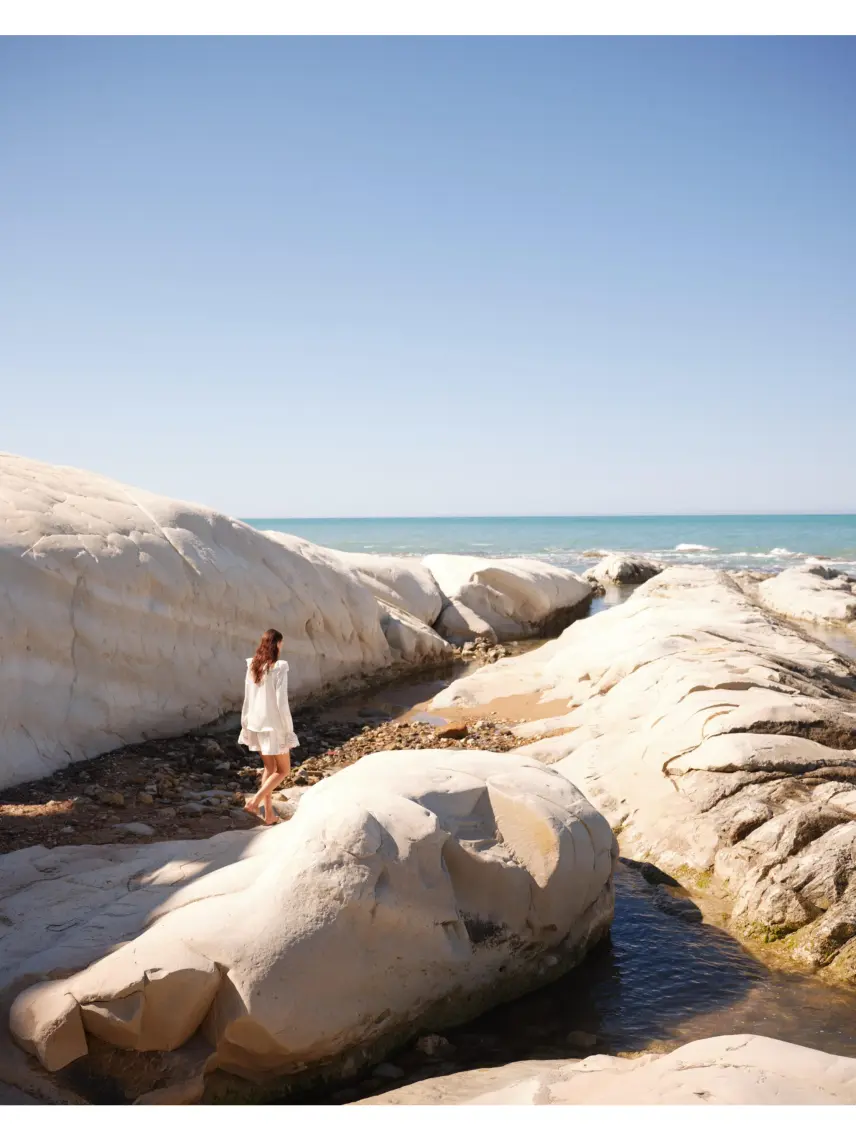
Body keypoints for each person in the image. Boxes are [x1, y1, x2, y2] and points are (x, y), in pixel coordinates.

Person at [239, 628, 298, 825]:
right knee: (283, 771)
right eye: (281, 644)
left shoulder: (253, 666)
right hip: (274, 725)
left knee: (269, 767)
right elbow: (282, 702)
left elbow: (248, 698)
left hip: (256, 723)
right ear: (277, 644)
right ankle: (254, 802)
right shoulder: (279, 667)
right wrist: (288, 730)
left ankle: (269, 814)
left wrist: (245, 723)